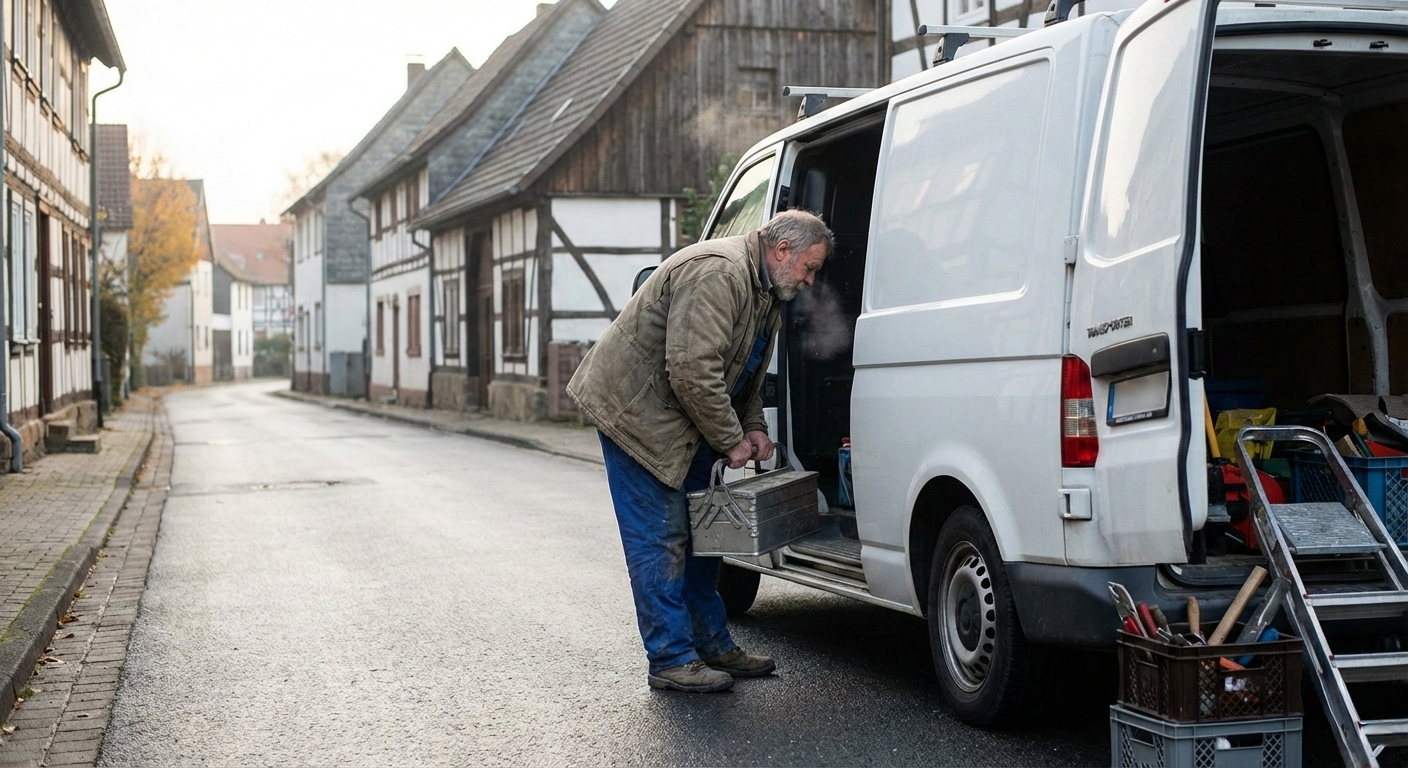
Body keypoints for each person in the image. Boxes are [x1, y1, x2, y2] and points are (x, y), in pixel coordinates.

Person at [567, 209, 834, 692]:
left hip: (686, 416)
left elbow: (744, 373)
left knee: (705, 534)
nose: (811, 280)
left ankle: (710, 643)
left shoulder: (768, 291)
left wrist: (752, 427)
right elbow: (691, 370)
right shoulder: (719, 271)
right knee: (663, 537)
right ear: (782, 251)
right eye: (810, 267)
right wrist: (731, 439)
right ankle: (670, 659)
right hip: (638, 417)